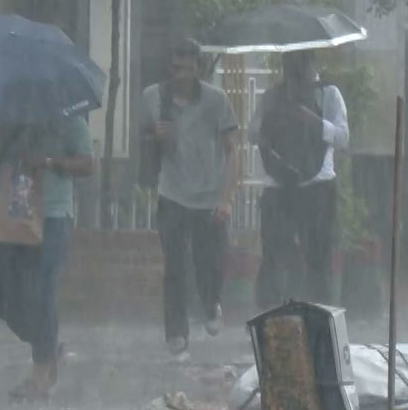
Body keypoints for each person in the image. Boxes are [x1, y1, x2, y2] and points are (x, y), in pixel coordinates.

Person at [0, 114, 95, 400]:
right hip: (13, 212)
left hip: (52, 215)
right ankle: (48, 347)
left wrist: (50, 162)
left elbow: (88, 164)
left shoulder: (68, 118)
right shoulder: (7, 113)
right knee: (3, 299)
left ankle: (41, 374)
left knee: (41, 293)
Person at [138, 39, 239, 360]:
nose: (180, 74)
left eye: (187, 67)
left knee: (210, 262)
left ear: (199, 67)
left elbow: (232, 149)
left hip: (208, 195)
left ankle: (211, 304)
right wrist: (155, 135)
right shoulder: (154, 97)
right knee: (175, 264)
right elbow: (142, 136)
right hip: (172, 192)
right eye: (175, 67)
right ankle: (176, 333)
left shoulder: (215, 100)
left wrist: (226, 198)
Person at [251, 50, 350, 307]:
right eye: (290, 63)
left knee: (319, 258)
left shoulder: (328, 94)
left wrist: (314, 121)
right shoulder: (272, 96)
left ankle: (320, 314)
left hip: (317, 187)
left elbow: (343, 137)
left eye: (302, 62)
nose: (296, 69)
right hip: (278, 187)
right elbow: (253, 132)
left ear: (312, 63)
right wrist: (273, 127)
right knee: (274, 259)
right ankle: (271, 314)